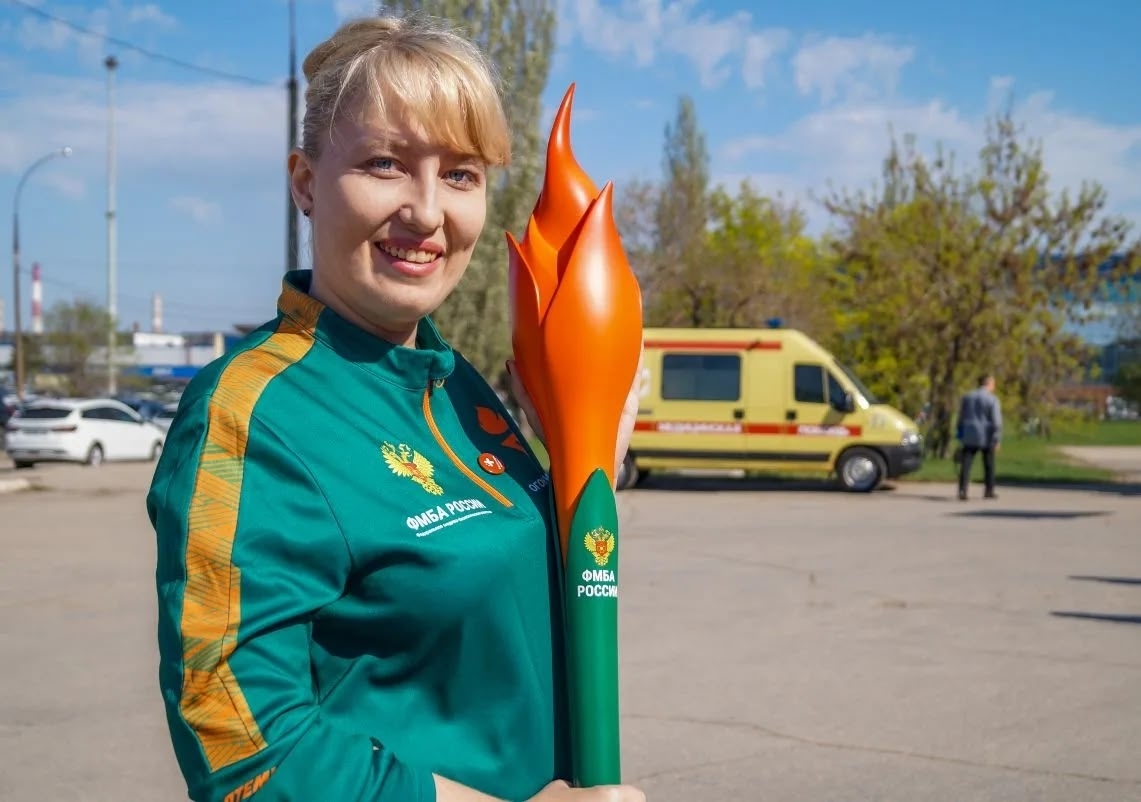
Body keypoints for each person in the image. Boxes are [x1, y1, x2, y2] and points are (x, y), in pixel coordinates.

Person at [146, 13, 644, 802]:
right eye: (385, 163)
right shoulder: (251, 414)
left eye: (461, 174)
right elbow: (241, 746)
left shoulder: (456, 385)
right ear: (305, 182)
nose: (427, 212)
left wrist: (590, 468)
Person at [955, 374, 1003, 500]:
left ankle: (963, 490)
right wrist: (997, 438)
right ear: (989, 384)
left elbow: (961, 417)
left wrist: (960, 433)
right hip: (986, 435)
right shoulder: (992, 400)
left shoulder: (967, 397)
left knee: (966, 463)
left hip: (969, 434)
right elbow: (997, 421)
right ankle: (989, 490)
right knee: (988, 464)